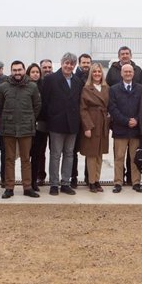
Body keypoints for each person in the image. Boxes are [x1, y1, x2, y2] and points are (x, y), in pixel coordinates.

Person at [40, 53, 83, 195]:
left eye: (72, 64)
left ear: (74, 65)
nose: (69, 66)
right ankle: (54, 183)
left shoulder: (77, 81)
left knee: (69, 154)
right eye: (66, 63)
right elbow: (45, 102)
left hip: (72, 124)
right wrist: (47, 120)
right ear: (62, 62)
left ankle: (65, 182)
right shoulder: (51, 79)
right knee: (56, 154)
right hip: (56, 123)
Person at [0, 60, 42, 199]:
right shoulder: (4, 86)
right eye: (14, 70)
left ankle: (27, 187)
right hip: (9, 128)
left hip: (26, 128)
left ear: (24, 70)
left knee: (25, 159)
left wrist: (29, 119)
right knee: (9, 158)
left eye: (19, 70)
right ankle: (9, 187)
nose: (17, 72)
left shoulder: (32, 86)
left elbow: (37, 105)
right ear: (11, 71)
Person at [108, 64, 142, 193]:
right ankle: (118, 182)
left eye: (130, 71)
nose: (128, 73)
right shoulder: (113, 89)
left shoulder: (141, 89)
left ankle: (136, 182)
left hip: (136, 130)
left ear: (133, 73)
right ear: (121, 74)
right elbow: (112, 108)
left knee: (135, 158)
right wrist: (125, 121)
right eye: (125, 71)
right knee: (119, 157)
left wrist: (137, 120)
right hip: (120, 129)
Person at [79, 63, 110, 193]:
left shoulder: (106, 88)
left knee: (99, 155)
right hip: (92, 124)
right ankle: (91, 181)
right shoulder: (86, 89)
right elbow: (83, 109)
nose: (97, 74)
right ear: (91, 74)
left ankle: (97, 180)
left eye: (99, 72)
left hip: (103, 124)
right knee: (92, 155)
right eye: (94, 72)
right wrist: (87, 127)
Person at [71, 53, 92, 188]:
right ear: (79, 63)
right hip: (75, 120)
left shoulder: (94, 77)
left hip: (89, 120)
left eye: (87, 62)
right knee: (72, 151)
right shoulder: (73, 78)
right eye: (83, 62)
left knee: (89, 150)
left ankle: (89, 176)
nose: (85, 65)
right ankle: (73, 177)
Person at [34, 58, 54, 186]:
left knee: (55, 152)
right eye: (44, 67)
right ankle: (39, 176)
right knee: (39, 152)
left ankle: (54, 178)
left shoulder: (56, 81)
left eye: (49, 67)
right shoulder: (36, 84)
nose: (47, 70)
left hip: (55, 123)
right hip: (40, 122)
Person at [26, 63, 45, 192]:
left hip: (41, 125)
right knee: (27, 155)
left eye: (37, 72)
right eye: (32, 72)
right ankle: (27, 181)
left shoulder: (44, 87)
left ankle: (35, 180)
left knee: (38, 154)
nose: (35, 74)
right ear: (28, 74)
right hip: (27, 125)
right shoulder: (24, 86)